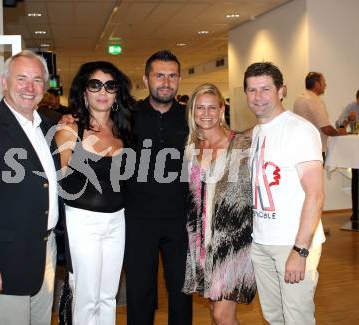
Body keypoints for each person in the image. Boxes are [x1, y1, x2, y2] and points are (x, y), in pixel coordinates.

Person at [0, 50, 72, 325]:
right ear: (4, 82)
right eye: (21, 79)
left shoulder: (48, 127)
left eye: (37, 80)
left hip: (46, 251)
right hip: (5, 259)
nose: (30, 88)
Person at [245, 62, 326, 324]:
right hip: (261, 243)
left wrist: (300, 251)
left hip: (292, 243)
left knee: (297, 319)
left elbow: (315, 195)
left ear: (282, 91)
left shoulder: (298, 130)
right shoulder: (257, 132)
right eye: (252, 90)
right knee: (274, 317)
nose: (258, 97)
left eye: (265, 89)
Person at [55, 61, 135, 325]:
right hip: (83, 220)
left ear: (117, 93)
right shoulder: (69, 129)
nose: (103, 91)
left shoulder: (125, 129)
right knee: (87, 296)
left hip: (117, 219)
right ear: (84, 91)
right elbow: (63, 183)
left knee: (108, 295)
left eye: (110, 85)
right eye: (95, 84)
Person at [124, 50, 192, 325]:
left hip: (181, 220)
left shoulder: (191, 118)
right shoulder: (127, 116)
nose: (166, 82)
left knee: (181, 294)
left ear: (178, 79)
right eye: (159, 75)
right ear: (146, 79)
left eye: (172, 76)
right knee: (140, 294)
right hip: (138, 220)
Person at [182, 83, 256, 324]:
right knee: (216, 310)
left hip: (233, 242)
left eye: (211, 107)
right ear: (192, 112)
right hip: (202, 242)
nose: (206, 114)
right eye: (199, 108)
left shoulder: (242, 143)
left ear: (221, 109)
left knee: (222, 315)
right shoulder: (190, 149)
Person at [293, 72, 345, 157]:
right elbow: (326, 128)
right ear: (317, 84)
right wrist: (339, 133)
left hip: (301, 148)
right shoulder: (314, 100)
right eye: (324, 82)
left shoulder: (299, 98)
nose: (325, 85)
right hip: (314, 150)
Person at [336, 89, 359, 224]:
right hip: (356, 149)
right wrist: (347, 119)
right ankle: (356, 212)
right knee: (356, 178)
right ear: (356, 99)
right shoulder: (351, 107)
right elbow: (338, 124)